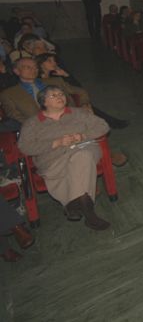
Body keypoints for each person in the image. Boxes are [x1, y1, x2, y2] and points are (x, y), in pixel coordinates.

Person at [17, 85, 113, 230]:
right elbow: (24, 147)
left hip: (83, 148)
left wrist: (82, 136)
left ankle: (88, 212)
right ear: (44, 102)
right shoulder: (32, 123)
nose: (60, 97)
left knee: (82, 156)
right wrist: (56, 143)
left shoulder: (78, 113)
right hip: (54, 159)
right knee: (79, 163)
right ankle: (77, 206)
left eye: (61, 94)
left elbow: (103, 125)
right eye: (53, 95)